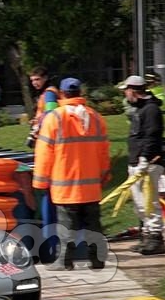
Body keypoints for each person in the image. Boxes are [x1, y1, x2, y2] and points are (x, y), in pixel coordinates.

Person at [32, 77, 110, 270]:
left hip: (65, 186)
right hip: (91, 187)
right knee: (93, 225)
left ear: (62, 93)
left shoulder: (55, 118)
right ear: (80, 92)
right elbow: (103, 151)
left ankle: (64, 261)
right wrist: (104, 175)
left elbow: (44, 153)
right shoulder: (95, 118)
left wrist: (40, 182)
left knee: (67, 226)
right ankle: (97, 260)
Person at [120, 75, 165, 255]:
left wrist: (145, 158)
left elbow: (152, 136)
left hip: (148, 163)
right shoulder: (140, 109)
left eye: (126, 91)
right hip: (137, 162)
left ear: (133, 91)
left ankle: (155, 238)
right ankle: (146, 235)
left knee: (150, 202)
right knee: (140, 203)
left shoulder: (151, 110)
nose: (125, 95)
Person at [27, 66, 60, 263]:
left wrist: (36, 129)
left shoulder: (49, 94)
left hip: (48, 148)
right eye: (32, 80)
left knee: (49, 199)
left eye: (37, 79)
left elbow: (50, 114)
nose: (35, 83)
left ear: (45, 78)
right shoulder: (46, 94)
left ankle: (51, 247)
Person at [145, 72, 165, 166]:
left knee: (164, 147)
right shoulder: (152, 91)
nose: (148, 84)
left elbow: (159, 104)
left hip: (164, 125)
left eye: (150, 82)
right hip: (156, 126)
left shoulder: (160, 92)